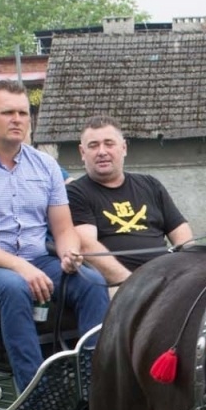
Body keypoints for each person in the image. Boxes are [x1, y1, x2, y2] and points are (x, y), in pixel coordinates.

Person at [0, 80, 108, 394]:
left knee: (93, 282)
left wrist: (69, 254)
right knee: (15, 287)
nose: (17, 119)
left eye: (23, 113)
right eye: (8, 113)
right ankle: (35, 393)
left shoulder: (45, 166)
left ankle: (93, 383)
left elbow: (63, 230)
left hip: (37, 259)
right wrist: (21, 267)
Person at [66, 116, 193, 287]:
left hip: (166, 278)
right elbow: (88, 248)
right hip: (118, 286)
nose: (102, 152)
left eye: (109, 144)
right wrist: (133, 285)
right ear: (82, 152)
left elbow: (182, 234)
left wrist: (189, 268)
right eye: (93, 145)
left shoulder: (150, 185)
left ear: (124, 148)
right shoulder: (75, 193)